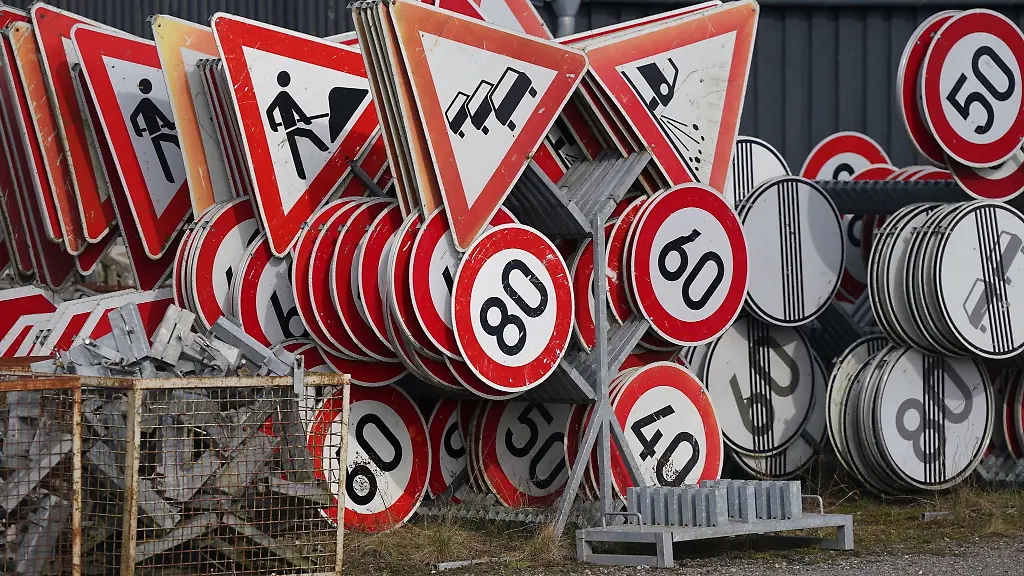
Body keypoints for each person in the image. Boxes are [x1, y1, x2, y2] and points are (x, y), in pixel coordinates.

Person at [266, 71, 329, 180]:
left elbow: (295, 108)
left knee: (295, 151)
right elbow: (270, 110)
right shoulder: (283, 95)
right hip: (291, 128)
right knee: (307, 135)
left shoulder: (284, 95)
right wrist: (273, 125)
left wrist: (305, 120)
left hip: (290, 128)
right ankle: (324, 148)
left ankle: (301, 174)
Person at [129, 78, 180, 183]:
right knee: (164, 151)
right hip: (154, 134)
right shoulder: (146, 102)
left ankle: (170, 178)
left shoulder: (146, 101)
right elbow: (158, 114)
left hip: (157, 133)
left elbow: (158, 114)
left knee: (163, 152)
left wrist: (169, 125)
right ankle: (170, 178)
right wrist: (138, 131)